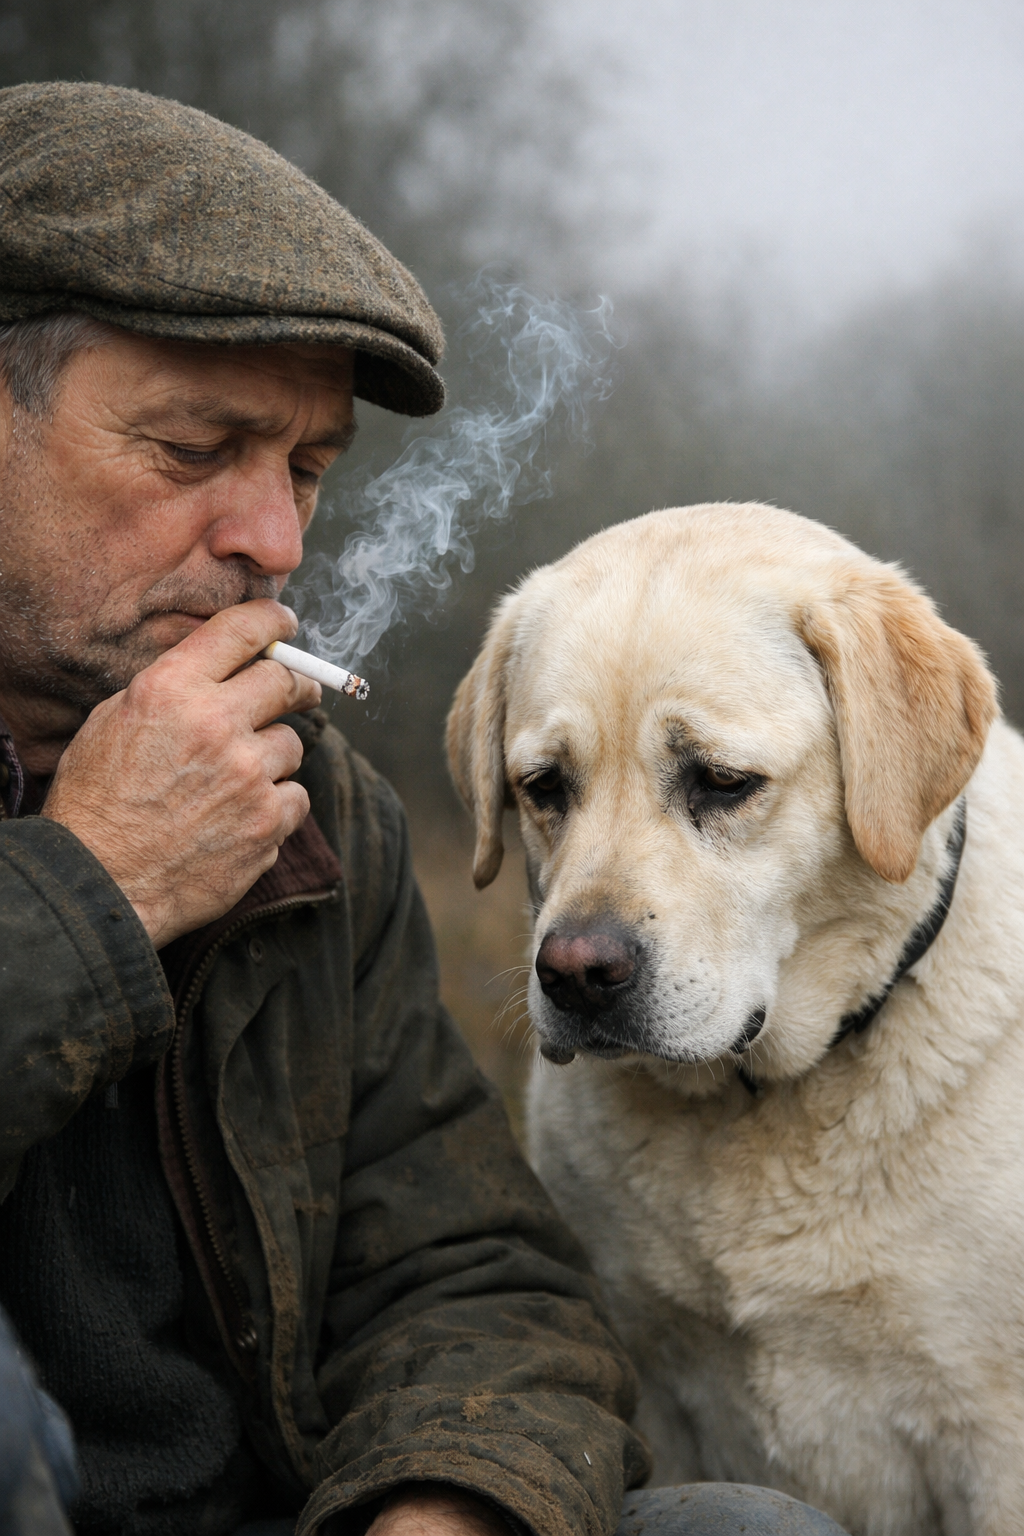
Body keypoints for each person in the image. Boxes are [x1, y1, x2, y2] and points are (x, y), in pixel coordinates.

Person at [0, 81, 847, 1536]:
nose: (271, 539)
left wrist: (445, 1502)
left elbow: (469, 1278)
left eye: (307, 468)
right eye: (195, 451)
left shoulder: (307, 808)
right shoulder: (185, 826)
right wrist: (102, 888)